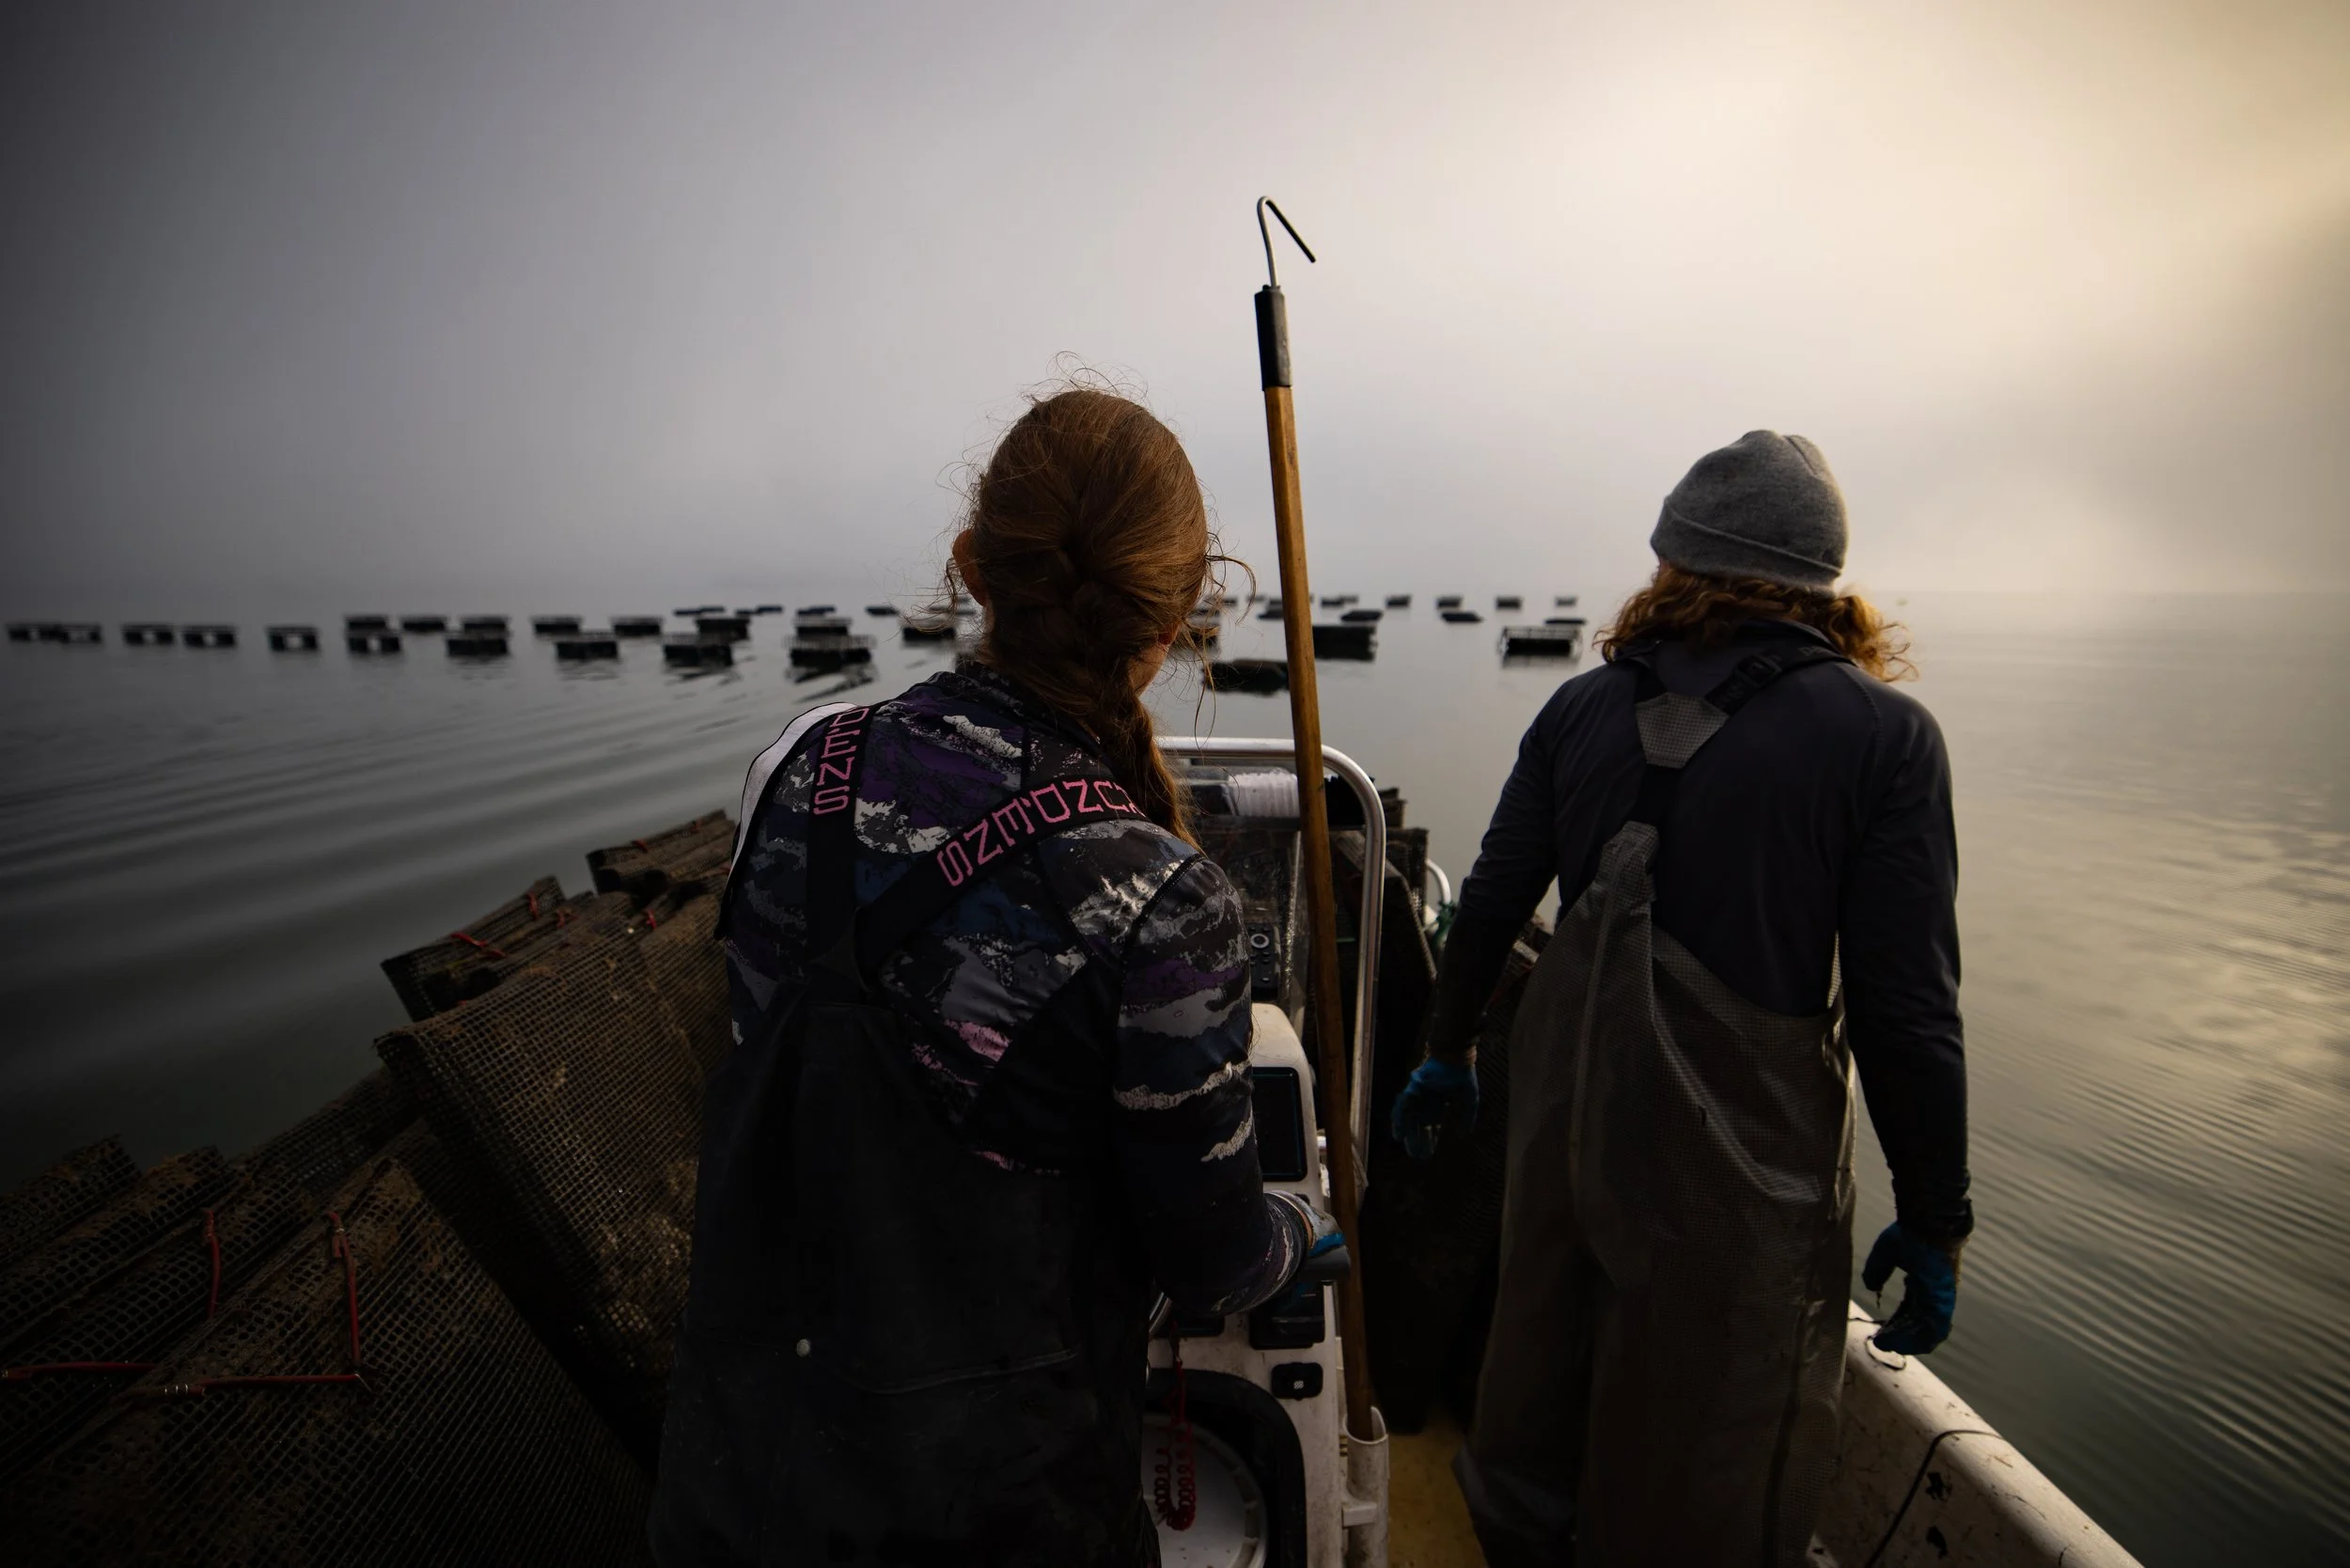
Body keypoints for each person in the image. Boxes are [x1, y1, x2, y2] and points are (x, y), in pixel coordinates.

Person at [650, 387, 1333, 1567]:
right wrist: (1297, 1225)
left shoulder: (797, 766)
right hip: (1004, 1509)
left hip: (746, 1475)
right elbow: (1209, 1265)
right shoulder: (1165, 900)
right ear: (1173, 620)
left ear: (972, 565)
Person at [1392, 431, 1973, 1566]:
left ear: (1671, 560)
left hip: (1564, 1137)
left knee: (1533, 1412)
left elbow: (1494, 900)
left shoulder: (1576, 712)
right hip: (1738, 1192)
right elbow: (1907, 1012)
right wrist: (1936, 1209)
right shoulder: (1883, 740)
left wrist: (1449, 1052)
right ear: (1821, 581)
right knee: (1712, 1470)